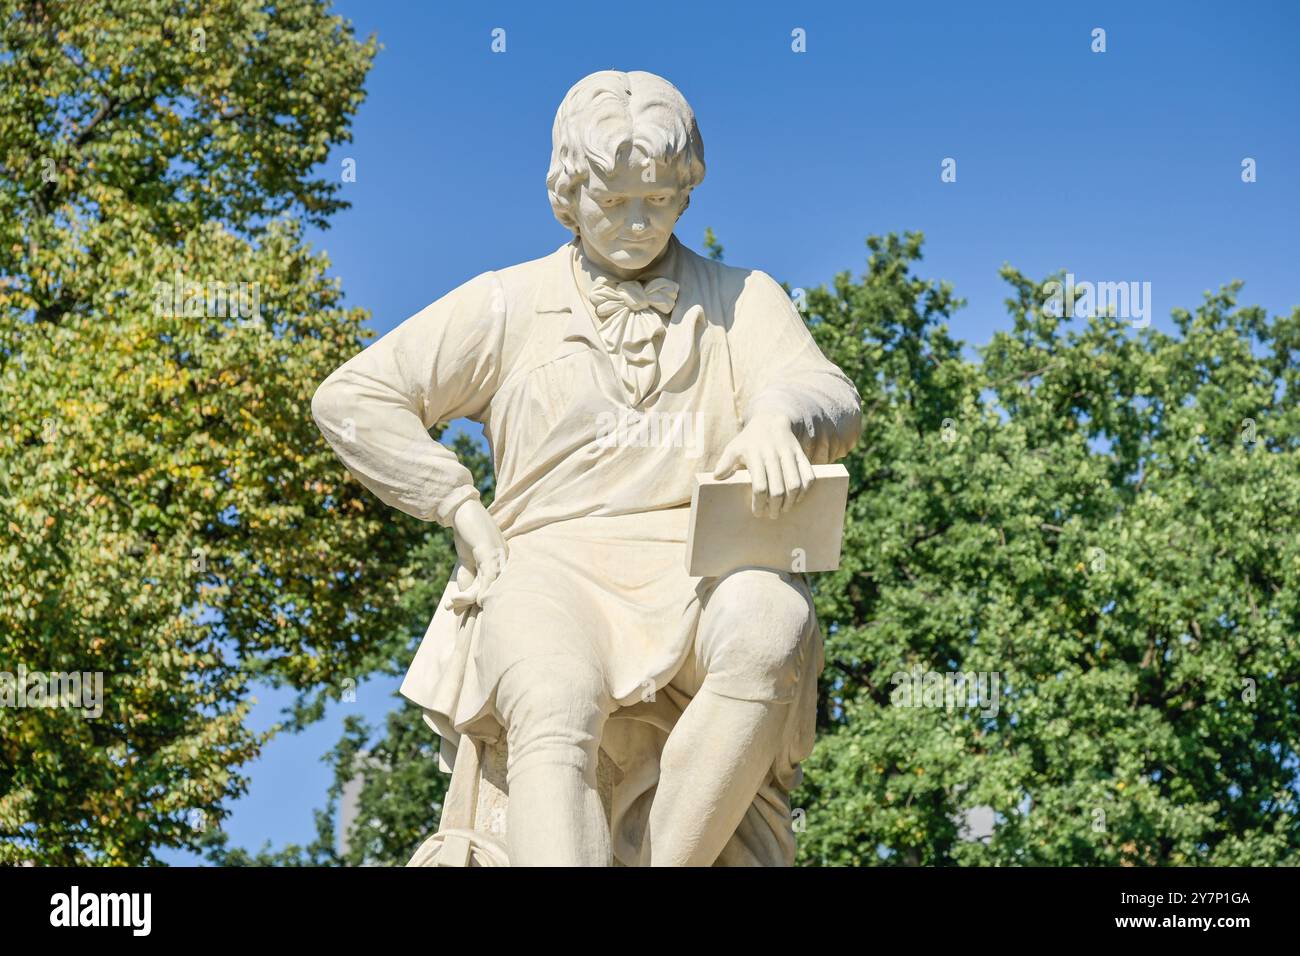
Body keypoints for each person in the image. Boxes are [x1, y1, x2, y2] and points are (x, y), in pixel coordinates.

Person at [312, 69, 861, 865]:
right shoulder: (508, 302)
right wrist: (459, 503)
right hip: (546, 563)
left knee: (776, 621)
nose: (638, 224)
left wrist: (783, 416)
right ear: (566, 195)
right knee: (553, 690)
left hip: (697, 566)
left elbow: (827, 392)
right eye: (613, 202)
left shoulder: (743, 298)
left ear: (687, 191)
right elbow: (354, 397)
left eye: (660, 199)